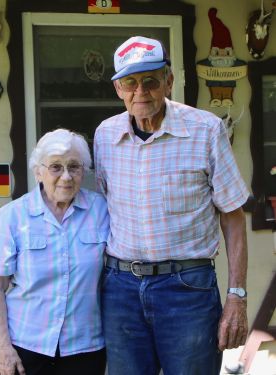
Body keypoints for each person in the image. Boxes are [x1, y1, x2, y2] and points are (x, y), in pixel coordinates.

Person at [94, 36, 249, 375]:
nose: (141, 91)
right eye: (130, 83)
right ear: (118, 89)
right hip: (120, 289)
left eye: (150, 80)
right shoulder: (104, 136)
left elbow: (233, 216)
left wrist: (236, 295)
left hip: (187, 288)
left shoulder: (205, 130)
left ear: (168, 80)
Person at [0, 129, 109, 375]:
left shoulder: (101, 210)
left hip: (85, 346)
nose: (66, 176)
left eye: (74, 167)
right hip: (27, 345)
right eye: (56, 167)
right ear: (38, 172)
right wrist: (4, 348)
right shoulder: (12, 215)